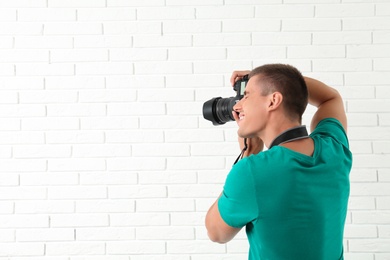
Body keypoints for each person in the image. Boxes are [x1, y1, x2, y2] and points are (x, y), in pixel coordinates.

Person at [205, 64, 352, 260]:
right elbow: (330, 97)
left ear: (274, 100)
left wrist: (248, 153)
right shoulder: (334, 149)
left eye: (246, 95)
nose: (237, 106)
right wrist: (280, 81)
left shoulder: (251, 171)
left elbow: (216, 233)